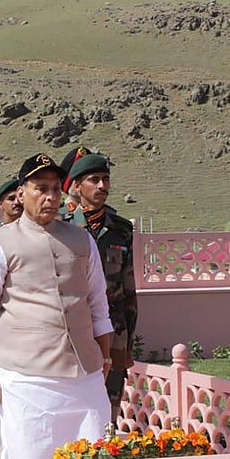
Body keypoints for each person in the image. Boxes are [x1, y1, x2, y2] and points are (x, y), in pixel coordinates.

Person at [0, 153, 113, 459]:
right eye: (41, 188)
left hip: (84, 375)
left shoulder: (82, 240)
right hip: (24, 378)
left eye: (55, 189)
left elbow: (98, 303)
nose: (50, 197)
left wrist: (105, 356)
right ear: (21, 193)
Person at [61, 150, 138, 422]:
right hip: (70, 332)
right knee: (71, 410)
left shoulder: (121, 229)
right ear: (76, 186)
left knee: (108, 412)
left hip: (113, 332)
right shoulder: (60, 225)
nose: (102, 186)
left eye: (106, 179)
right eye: (94, 180)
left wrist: (128, 343)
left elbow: (129, 289)